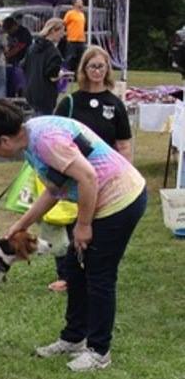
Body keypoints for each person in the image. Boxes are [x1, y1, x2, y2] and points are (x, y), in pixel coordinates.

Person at [0, 100, 147, 372]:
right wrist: (20, 224)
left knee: (99, 273)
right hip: (98, 201)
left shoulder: (46, 140)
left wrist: (84, 225)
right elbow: (55, 190)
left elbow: (88, 178)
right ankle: (74, 338)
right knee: (73, 268)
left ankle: (99, 352)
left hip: (120, 199)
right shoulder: (30, 144)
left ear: (5, 140)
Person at [45, 45, 133, 292]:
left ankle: (92, 272)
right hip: (72, 173)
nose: (96, 71)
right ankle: (67, 275)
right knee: (68, 222)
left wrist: (126, 172)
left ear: (107, 70)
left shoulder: (114, 104)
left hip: (105, 176)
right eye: (92, 66)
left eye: (101, 66)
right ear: (83, 69)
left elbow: (123, 144)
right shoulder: (70, 103)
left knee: (96, 224)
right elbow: (54, 135)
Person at [23, 17, 65, 115]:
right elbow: (52, 76)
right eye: (62, 31)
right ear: (54, 31)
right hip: (45, 96)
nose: (63, 35)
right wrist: (61, 74)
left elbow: (24, 65)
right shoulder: (54, 53)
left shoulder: (32, 47)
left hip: (31, 92)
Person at [2, 16, 32, 96]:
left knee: (22, 81)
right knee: (12, 82)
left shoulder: (23, 32)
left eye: (10, 30)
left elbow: (19, 46)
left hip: (23, 60)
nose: (9, 32)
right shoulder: (9, 34)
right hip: (12, 61)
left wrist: (7, 55)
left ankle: (24, 97)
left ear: (14, 25)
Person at [63, 0, 86, 72]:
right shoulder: (70, 13)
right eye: (80, 1)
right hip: (72, 40)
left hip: (81, 40)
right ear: (75, 3)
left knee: (81, 59)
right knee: (70, 58)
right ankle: (66, 74)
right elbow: (63, 24)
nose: (82, 3)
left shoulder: (82, 14)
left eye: (82, 2)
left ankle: (78, 75)